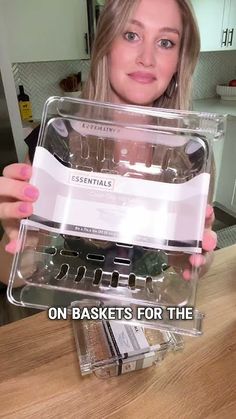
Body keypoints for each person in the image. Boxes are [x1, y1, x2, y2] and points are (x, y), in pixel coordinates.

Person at [0, 0, 216, 285]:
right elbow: (9, 277)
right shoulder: (57, 139)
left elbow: (195, 272)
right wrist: (24, 238)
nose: (147, 58)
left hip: (147, 313)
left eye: (166, 42)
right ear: (105, 43)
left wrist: (195, 257)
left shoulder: (191, 153)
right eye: (131, 35)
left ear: (179, 61)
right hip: (72, 309)